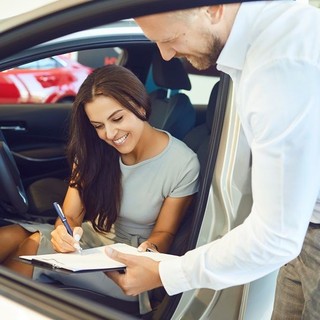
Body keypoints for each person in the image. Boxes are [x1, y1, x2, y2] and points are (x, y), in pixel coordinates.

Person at [105, 2, 320, 318]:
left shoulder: (280, 66)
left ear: (215, 8)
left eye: (171, 38)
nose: (165, 55)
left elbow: (275, 236)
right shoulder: (259, 43)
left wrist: (167, 274)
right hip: (305, 229)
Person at [0, 65, 200, 309]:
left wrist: (151, 250)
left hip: (131, 260)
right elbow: (70, 215)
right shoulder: (93, 150)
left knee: (29, 245)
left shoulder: (182, 163)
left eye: (117, 118)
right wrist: (64, 233)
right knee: (11, 235)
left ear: (139, 105)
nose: (110, 133)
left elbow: (165, 233)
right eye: (98, 125)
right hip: (93, 238)